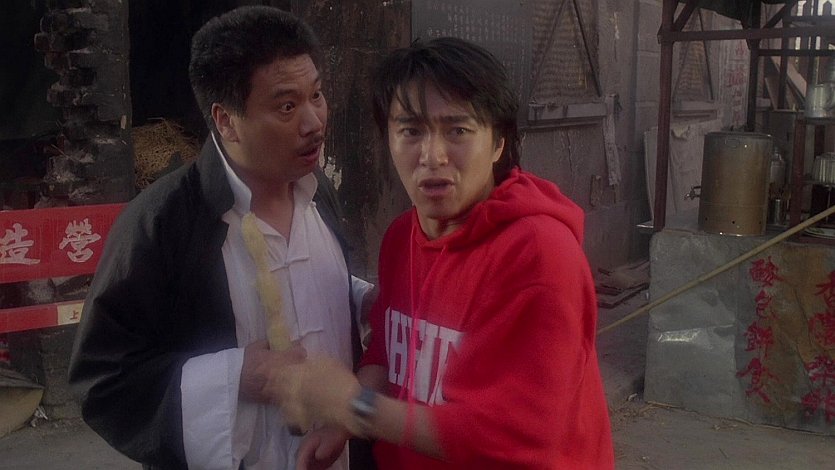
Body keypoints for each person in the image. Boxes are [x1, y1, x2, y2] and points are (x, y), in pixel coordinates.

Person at [274, 37, 615, 469]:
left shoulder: (539, 255)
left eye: (458, 131)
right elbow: (387, 351)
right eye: (411, 131)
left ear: (498, 143)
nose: (432, 156)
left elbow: (515, 438)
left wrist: (355, 406)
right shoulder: (401, 237)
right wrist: (342, 421)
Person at [68, 6, 375, 470]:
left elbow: (311, 283)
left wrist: (364, 301)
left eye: (316, 95)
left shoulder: (318, 192)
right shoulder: (162, 222)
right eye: (287, 106)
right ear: (226, 120)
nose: (314, 122)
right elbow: (102, 380)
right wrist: (237, 377)